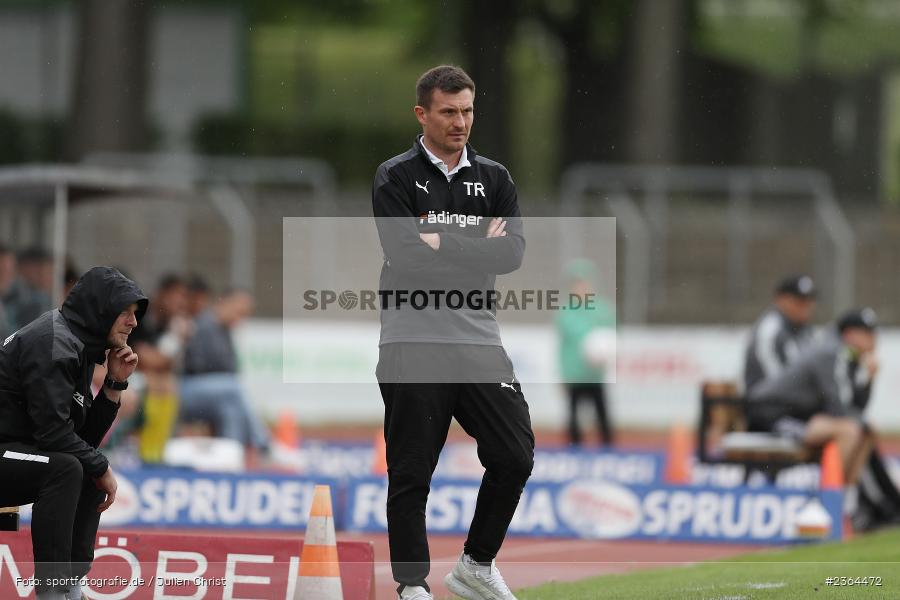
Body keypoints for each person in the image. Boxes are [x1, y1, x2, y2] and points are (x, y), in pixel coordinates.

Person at [373, 65, 531, 600]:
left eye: (467, 111)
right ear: (422, 113)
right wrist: (472, 243)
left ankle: (475, 565)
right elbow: (406, 257)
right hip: (412, 339)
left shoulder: (496, 178)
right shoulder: (394, 177)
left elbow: (511, 254)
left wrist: (443, 238)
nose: (460, 122)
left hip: (478, 339)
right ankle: (411, 585)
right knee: (413, 468)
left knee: (515, 455)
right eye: (448, 111)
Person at [0, 266, 147, 600]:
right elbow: (54, 436)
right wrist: (101, 467)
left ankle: (69, 585)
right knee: (71, 466)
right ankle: (52, 591)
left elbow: (82, 441)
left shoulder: (75, 344)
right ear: (100, 310)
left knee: (83, 463)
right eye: (124, 312)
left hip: (14, 451)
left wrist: (114, 383)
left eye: (134, 314)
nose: (133, 322)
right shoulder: (54, 343)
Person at [746, 308, 879, 489]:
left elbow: (854, 407)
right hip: (771, 417)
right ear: (850, 334)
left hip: (796, 416)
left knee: (864, 429)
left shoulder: (848, 356)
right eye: (867, 333)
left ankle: (846, 500)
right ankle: (831, 496)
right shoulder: (831, 352)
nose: (873, 339)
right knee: (849, 431)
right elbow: (839, 408)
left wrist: (869, 379)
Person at [179, 288, 270, 454]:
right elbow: (195, 366)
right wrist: (222, 375)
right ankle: (263, 444)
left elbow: (233, 367)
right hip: (186, 388)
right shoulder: (203, 324)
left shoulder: (225, 331)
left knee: (230, 409)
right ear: (226, 304)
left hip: (213, 391)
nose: (240, 318)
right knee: (234, 388)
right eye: (239, 312)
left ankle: (231, 457)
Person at [128, 274, 192, 463]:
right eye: (177, 295)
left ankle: (156, 452)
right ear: (162, 294)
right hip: (124, 373)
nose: (180, 302)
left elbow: (166, 364)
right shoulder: (141, 316)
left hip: (144, 376)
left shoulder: (167, 323)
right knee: (158, 384)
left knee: (168, 384)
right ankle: (146, 453)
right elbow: (146, 359)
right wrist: (176, 339)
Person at [556, 258, 616, 446]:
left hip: (595, 374)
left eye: (584, 282)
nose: (581, 287)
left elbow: (611, 336)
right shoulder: (565, 311)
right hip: (575, 375)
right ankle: (575, 454)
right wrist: (564, 375)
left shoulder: (604, 309)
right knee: (573, 417)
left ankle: (608, 452)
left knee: (602, 414)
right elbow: (563, 347)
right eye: (577, 283)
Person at [743, 274, 818, 394]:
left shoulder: (806, 330)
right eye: (799, 301)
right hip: (768, 405)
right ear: (781, 300)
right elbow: (776, 384)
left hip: (796, 402)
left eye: (809, 301)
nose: (806, 307)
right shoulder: (770, 331)